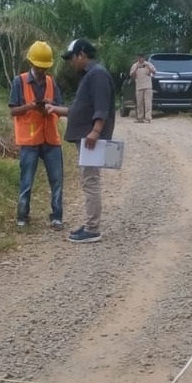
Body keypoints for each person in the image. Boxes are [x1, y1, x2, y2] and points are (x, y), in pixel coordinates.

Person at [59, 38, 116, 244]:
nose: (71, 62)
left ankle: (93, 228)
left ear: (82, 54)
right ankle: (91, 224)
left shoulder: (97, 74)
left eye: (72, 58)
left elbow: (101, 105)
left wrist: (95, 130)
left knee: (90, 181)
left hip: (90, 138)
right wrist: (57, 110)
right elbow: (81, 109)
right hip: (87, 137)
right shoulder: (89, 75)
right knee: (88, 180)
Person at [8, 41, 66, 230]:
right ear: (31, 63)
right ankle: (22, 216)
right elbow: (13, 111)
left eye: (44, 68)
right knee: (26, 181)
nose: (42, 71)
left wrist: (50, 105)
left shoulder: (51, 82)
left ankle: (57, 216)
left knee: (57, 180)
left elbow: (60, 108)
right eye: (39, 67)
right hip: (29, 140)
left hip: (51, 138)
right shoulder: (20, 81)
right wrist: (30, 106)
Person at [129, 53, 156, 123]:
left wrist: (148, 67)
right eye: (139, 57)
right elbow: (131, 74)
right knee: (139, 103)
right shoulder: (135, 65)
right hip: (139, 86)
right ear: (138, 58)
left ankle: (148, 118)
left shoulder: (148, 64)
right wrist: (137, 68)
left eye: (142, 57)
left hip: (148, 87)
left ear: (144, 58)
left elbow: (154, 71)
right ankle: (140, 117)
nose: (141, 58)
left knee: (148, 103)